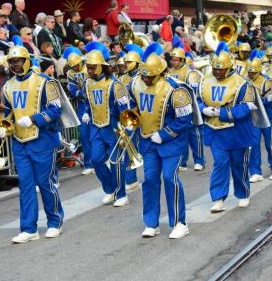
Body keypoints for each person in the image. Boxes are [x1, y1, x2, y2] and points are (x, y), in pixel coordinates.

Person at [0, 45, 67, 243]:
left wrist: (35, 118)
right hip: (20, 142)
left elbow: (55, 110)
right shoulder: (8, 86)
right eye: (12, 62)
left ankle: (54, 222)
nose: (15, 65)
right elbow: (7, 112)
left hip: (43, 140)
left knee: (46, 184)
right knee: (26, 186)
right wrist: (3, 126)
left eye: (18, 61)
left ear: (26, 61)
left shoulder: (46, 82)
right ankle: (28, 228)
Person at [129, 42, 193, 239]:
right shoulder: (135, 83)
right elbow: (133, 105)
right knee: (149, 180)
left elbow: (185, 119)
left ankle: (179, 222)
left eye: (150, 76)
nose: (146, 79)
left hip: (171, 143)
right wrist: (132, 118)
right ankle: (151, 222)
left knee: (169, 178)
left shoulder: (177, 90)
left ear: (161, 73)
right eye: (144, 75)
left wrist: (164, 134)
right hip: (147, 141)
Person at [198, 41, 258, 212]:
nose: (217, 72)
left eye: (220, 69)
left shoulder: (242, 83)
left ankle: (243, 193)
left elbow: (246, 107)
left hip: (237, 132)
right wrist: (204, 109)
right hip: (216, 132)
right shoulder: (205, 81)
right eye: (214, 68)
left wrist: (221, 113)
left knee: (239, 165)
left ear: (228, 67)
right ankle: (218, 197)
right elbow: (197, 101)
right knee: (220, 163)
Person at [81, 49, 130, 207]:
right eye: (88, 67)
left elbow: (124, 108)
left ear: (102, 66)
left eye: (92, 67)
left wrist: (124, 126)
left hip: (114, 127)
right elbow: (88, 102)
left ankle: (121, 194)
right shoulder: (87, 83)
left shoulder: (115, 84)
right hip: (96, 127)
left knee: (116, 161)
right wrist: (87, 113)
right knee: (95, 160)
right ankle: (111, 189)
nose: (89, 71)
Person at [168, 39, 205, 172]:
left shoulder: (191, 73)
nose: (173, 61)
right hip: (176, 109)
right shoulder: (169, 72)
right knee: (180, 135)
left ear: (182, 60)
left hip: (190, 107)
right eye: (172, 59)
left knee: (195, 135)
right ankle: (182, 161)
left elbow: (195, 92)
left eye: (176, 59)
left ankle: (199, 160)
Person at [246, 50, 272, 182]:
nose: (251, 74)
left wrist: (259, 99)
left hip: (269, 116)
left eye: (253, 72)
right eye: (249, 72)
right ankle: (255, 171)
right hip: (254, 117)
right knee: (253, 144)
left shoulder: (269, 81)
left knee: (271, 144)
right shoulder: (245, 81)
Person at [64, 46, 94, 176]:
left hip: (95, 103)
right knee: (84, 135)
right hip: (83, 104)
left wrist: (86, 92)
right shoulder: (70, 73)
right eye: (73, 66)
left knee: (101, 132)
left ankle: (104, 158)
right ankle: (89, 163)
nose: (75, 68)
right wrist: (81, 93)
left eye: (77, 65)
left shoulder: (90, 67)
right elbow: (72, 89)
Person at [120, 44, 143, 191]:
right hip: (128, 117)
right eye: (125, 62)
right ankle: (131, 179)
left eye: (129, 62)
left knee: (146, 147)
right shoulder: (121, 78)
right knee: (129, 146)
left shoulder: (143, 76)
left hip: (143, 115)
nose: (126, 65)